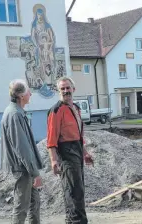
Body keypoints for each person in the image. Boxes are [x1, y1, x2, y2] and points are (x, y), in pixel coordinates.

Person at [46, 77, 93, 224]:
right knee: (73, 192)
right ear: (59, 91)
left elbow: (78, 135)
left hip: (77, 150)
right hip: (66, 153)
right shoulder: (56, 110)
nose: (66, 91)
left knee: (78, 191)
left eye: (68, 88)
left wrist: (85, 153)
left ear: (74, 89)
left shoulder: (76, 108)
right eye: (62, 89)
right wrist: (54, 160)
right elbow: (51, 139)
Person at [0, 79, 44, 224]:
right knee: (22, 206)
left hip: (24, 168)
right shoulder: (14, 115)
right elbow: (22, 148)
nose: (30, 94)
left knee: (34, 203)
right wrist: (34, 172)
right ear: (21, 96)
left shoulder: (16, 112)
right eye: (28, 91)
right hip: (22, 169)